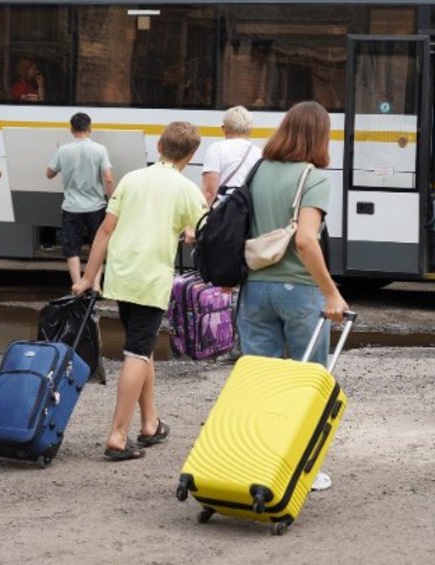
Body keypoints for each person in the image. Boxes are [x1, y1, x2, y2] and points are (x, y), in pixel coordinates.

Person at [72, 121, 206, 461]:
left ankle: (150, 424)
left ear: (159, 146)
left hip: (122, 275)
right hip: (150, 279)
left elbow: (104, 231)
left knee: (142, 347)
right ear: (191, 156)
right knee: (135, 352)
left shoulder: (132, 179)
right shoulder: (187, 189)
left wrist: (89, 278)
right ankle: (117, 435)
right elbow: (205, 232)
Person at [238, 100, 348, 490]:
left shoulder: (258, 171)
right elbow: (305, 239)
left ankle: (256, 461)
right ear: (319, 135)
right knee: (306, 383)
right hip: (300, 292)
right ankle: (304, 469)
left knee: (259, 381)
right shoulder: (313, 177)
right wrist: (331, 293)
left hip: (255, 288)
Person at [46, 112, 114, 293]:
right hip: (96, 206)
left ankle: (77, 285)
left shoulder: (63, 150)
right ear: (90, 129)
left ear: (71, 129)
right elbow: (108, 178)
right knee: (97, 245)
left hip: (71, 207)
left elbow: (49, 173)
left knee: (72, 247)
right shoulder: (100, 150)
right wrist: (111, 199)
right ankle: (96, 285)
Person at [201, 105, 260, 206]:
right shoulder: (259, 153)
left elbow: (210, 191)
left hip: (223, 212)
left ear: (225, 129)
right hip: (247, 212)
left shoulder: (216, 149)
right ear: (250, 130)